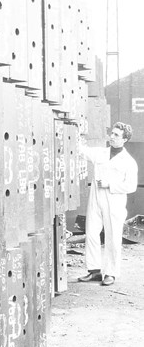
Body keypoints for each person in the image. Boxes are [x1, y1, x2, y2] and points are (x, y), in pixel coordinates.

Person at [78, 122, 138, 286]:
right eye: (112, 133)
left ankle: (110, 273)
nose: (112, 137)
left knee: (113, 237)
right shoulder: (101, 153)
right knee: (91, 232)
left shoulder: (129, 161)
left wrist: (110, 185)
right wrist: (76, 131)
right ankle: (94, 270)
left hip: (115, 201)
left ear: (124, 139)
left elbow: (131, 186)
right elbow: (82, 151)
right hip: (96, 198)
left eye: (116, 135)